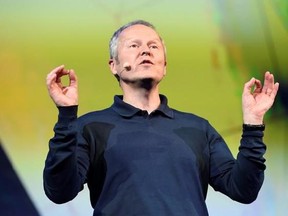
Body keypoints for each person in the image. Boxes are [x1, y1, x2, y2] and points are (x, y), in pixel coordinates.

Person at [44, 20, 279, 216]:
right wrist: (66, 115)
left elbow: (243, 190)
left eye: (154, 46)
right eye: (134, 45)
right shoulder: (91, 127)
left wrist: (253, 123)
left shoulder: (198, 128)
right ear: (113, 65)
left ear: (164, 66)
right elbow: (59, 191)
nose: (145, 51)